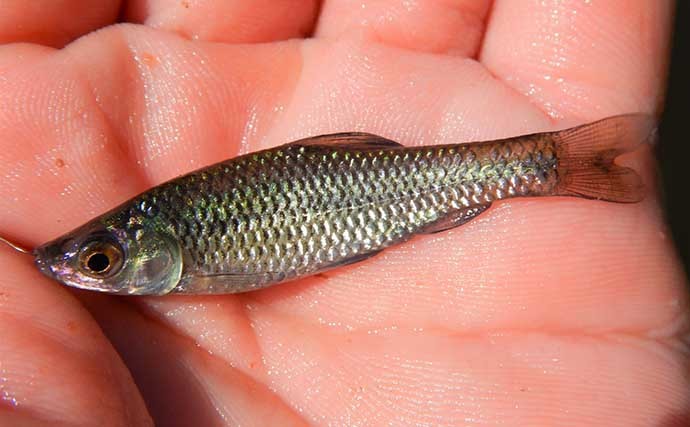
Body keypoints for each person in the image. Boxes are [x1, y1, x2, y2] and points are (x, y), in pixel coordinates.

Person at [0, 1, 686, 426]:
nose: (94, 271)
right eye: (100, 260)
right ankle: (552, 162)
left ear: (152, 245)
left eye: (101, 261)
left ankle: (553, 162)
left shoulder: (185, 255)